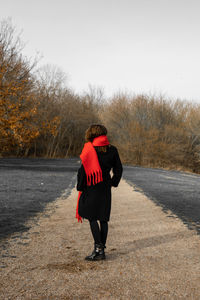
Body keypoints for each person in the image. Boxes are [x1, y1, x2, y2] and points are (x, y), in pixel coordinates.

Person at [76, 124, 123, 261]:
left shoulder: (89, 149)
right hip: (105, 187)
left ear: (91, 134)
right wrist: (113, 183)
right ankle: (101, 251)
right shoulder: (112, 149)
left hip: (91, 186)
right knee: (103, 218)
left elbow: (83, 171)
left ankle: (98, 250)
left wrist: (80, 186)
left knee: (91, 217)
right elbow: (119, 169)